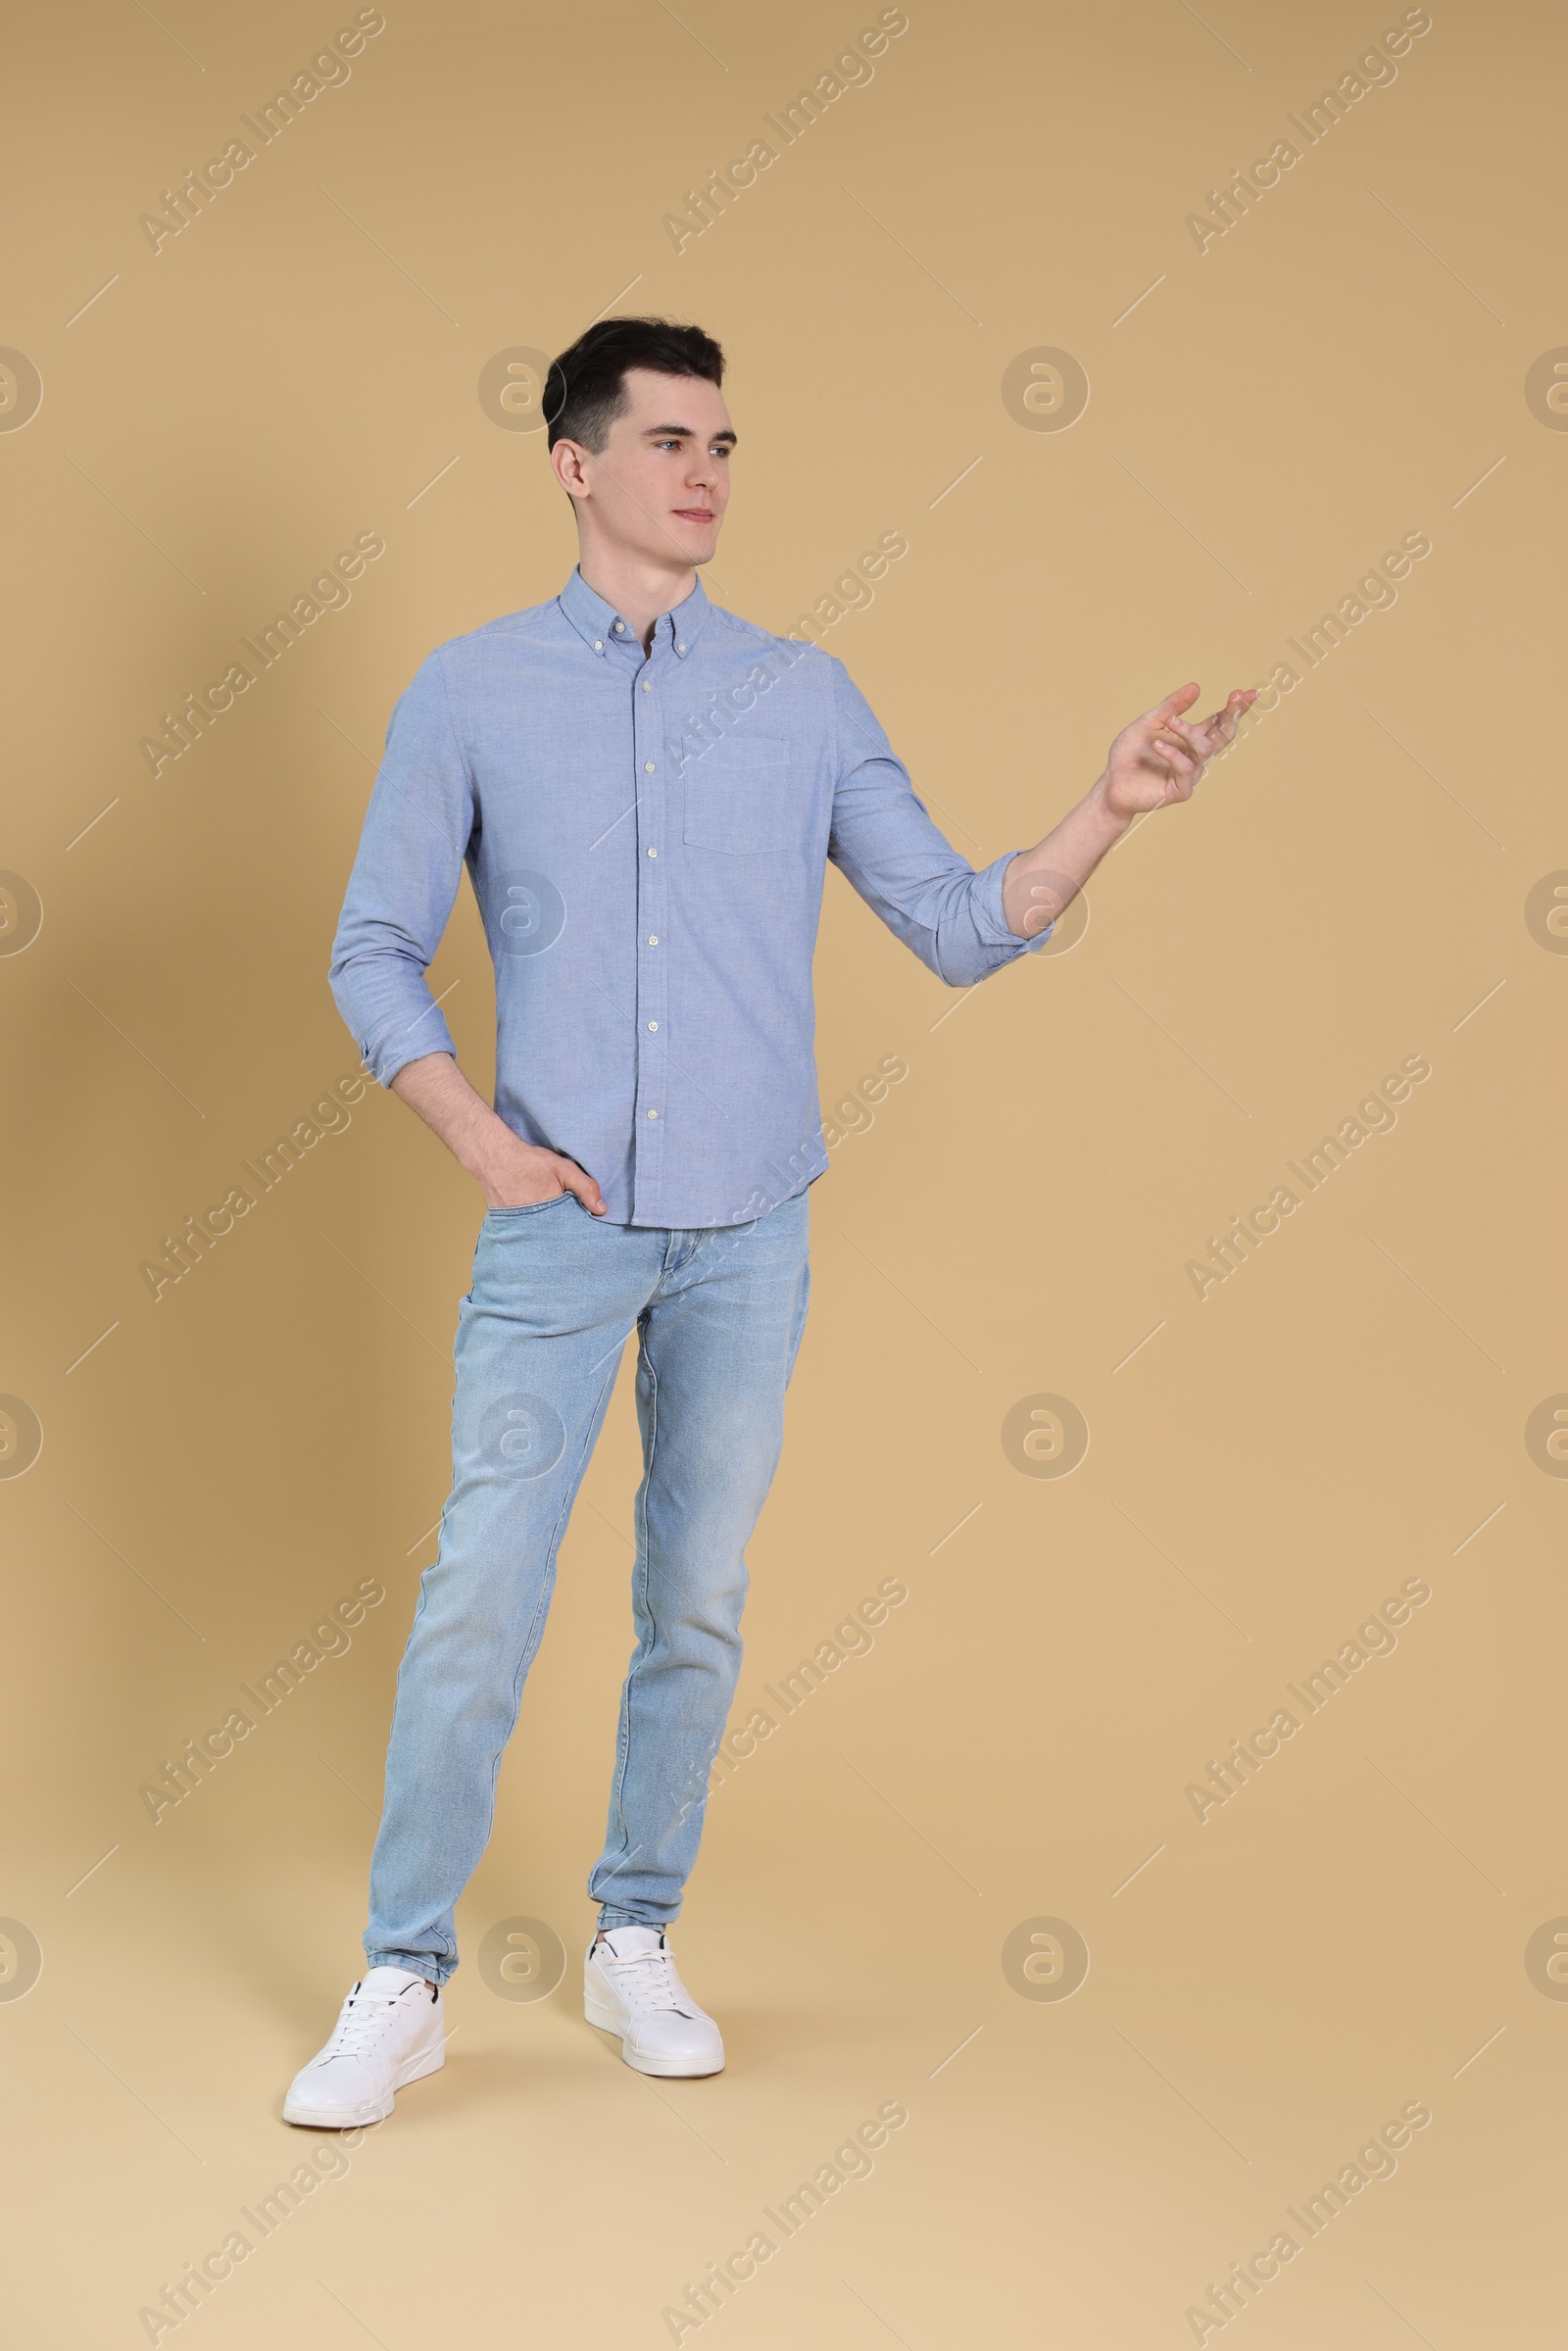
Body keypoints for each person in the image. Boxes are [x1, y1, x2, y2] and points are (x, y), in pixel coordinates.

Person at [282, 315, 1254, 2128]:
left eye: (725, 443)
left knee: (698, 1599)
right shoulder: (471, 691)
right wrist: (479, 1139)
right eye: (669, 442)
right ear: (576, 466)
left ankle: (634, 1935)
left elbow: (964, 924)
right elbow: (373, 950)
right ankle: (403, 1978)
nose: (706, 471)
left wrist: (1105, 815)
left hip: (749, 1232)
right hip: (555, 1223)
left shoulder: (803, 695)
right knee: (481, 1589)